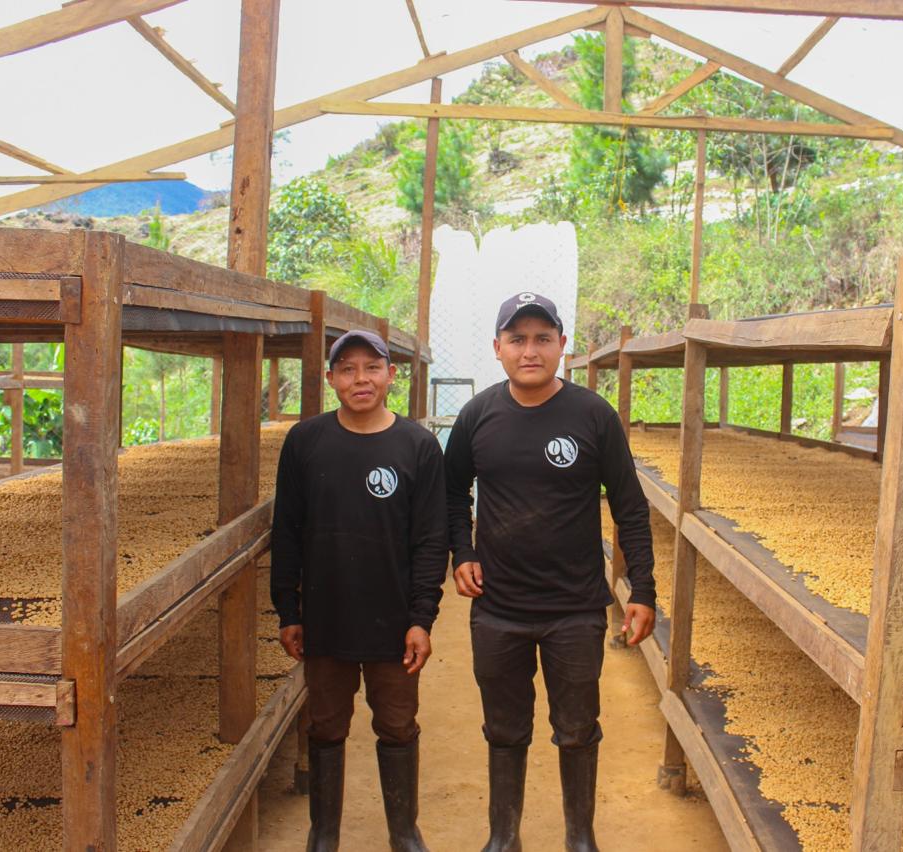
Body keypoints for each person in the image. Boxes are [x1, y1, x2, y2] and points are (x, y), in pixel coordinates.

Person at [444, 293, 656, 852]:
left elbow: (630, 506)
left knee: (577, 729)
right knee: (504, 729)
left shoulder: (592, 415)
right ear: (497, 348)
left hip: (575, 609)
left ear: (562, 344)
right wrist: (462, 553)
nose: (530, 350)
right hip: (498, 608)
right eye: (517, 339)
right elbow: (450, 492)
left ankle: (579, 837)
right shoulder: (477, 416)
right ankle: (503, 836)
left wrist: (642, 588)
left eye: (542, 338)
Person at [271, 329, 447, 852]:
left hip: (394, 621)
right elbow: (287, 531)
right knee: (326, 725)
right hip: (327, 618)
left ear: (391, 375)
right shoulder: (306, 442)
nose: (360, 379)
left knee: (397, 724)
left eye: (372, 367)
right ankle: (323, 833)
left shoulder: (418, 445)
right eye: (347, 369)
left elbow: (431, 541)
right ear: (331, 379)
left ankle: (403, 832)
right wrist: (289, 610)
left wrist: (421, 618)